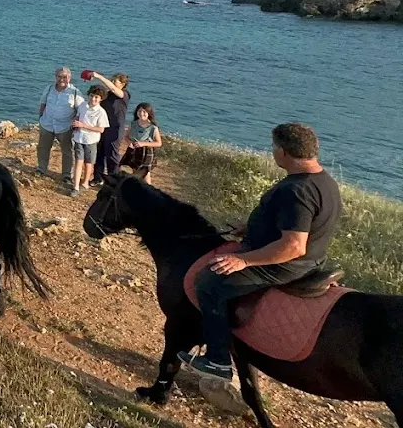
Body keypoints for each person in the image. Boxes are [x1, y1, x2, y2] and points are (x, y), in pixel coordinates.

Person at [179, 123, 342, 381]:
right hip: (310, 261)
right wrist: (252, 227)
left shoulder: (297, 190)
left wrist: (243, 260)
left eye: (274, 147)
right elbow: (300, 223)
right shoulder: (324, 181)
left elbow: (293, 246)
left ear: (284, 152)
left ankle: (217, 360)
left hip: (285, 266)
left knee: (209, 284)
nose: (273, 151)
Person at [37, 67, 84, 182]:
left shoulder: (75, 92)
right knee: (43, 148)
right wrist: (41, 119)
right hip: (47, 124)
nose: (62, 79)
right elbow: (43, 104)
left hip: (65, 127)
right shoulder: (49, 88)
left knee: (67, 151)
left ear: (69, 78)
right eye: (59, 76)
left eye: (65, 77)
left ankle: (66, 175)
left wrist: (75, 123)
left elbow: (81, 110)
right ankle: (41, 169)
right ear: (56, 77)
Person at [85, 71, 130, 180]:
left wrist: (98, 76)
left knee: (112, 155)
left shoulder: (124, 95)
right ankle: (98, 178)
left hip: (115, 129)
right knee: (99, 153)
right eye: (112, 80)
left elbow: (114, 89)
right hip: (103, 127)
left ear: (122, 84)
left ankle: (114, 180)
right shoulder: (107, 95)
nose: (112, 82)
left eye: (115, 81)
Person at [70, 86, 110, 195]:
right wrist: (75, 123)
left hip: (91, 140)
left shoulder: (101, 112)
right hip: (79, 137)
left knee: (88, 163)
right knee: (78, 161)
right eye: (92, 96)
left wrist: (83, 125)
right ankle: (76, 187)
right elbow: (78, 116)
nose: (93, 99)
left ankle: (85, 183)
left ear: (101, 99)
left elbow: (101, 129)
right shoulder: (83, 105)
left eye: (96, 97)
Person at [118, 103, 162, 183]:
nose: (141, 113)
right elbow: (126, 136)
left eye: (144, 112)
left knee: (145, 173)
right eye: (139, 111)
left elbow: (158, 143)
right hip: (133, 149)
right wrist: (129, 142)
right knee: (134, 170)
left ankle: (147, 188)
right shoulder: (133, 124)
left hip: (146, 152)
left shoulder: (153, 128)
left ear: (149, 113)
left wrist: (143, 143)